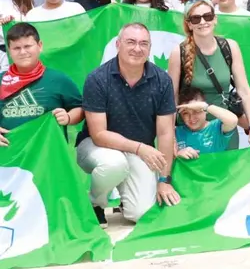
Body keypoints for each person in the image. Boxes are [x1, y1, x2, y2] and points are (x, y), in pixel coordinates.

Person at [76, 23, 180, 225]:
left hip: (136, 152)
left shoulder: (162, 80)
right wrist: (140, 148)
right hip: (97, 147)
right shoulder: (97, 79)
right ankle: (95, 202)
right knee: (114, 163)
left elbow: (166, 133)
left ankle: (127, 199)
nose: (137, 48)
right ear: (118, 44)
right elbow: (99, 134)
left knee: (141, 214)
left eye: (143, 43)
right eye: (130, 42)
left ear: (150, 48)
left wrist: (164, 180)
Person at [167, 0, 250, 145]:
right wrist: (171, 137)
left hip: (224, 126)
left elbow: (244, 90)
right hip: (191, 130)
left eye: (207, 16)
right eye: (196, 19)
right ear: (189, 24)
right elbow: (171, 98)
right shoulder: (178, 53)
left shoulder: (230, 47)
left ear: (215, 19)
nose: (203, 22)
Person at [0, 22, 82, 137]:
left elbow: (80, 108)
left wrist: (68, 117)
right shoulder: (1, 80)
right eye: (16, 48)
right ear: (9, 51)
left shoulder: (58, 79)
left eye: (27, 46)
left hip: (48, 151)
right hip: (10, 152)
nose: (23, 52)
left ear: (40, 46)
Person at [174, 86, 239, 158]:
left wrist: (205, 107)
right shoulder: (176, 132)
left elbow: (233, 121)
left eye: (196, 111)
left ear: (205, 111)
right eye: (185, 113)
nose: (191, 117)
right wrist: (177, 154)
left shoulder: (216, 128)